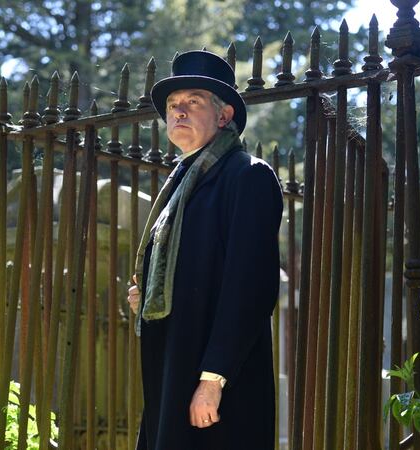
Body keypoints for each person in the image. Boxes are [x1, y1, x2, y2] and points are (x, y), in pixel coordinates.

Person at [127, 50, 283, 450]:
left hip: (217, 384)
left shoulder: (247, 176)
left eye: (193, 102)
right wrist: (147, 292)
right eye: (173, 105)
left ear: (224, 115)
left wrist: (213, 380)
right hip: (173, 368)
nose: (178, 111)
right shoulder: (181, 183)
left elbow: (250, 288)